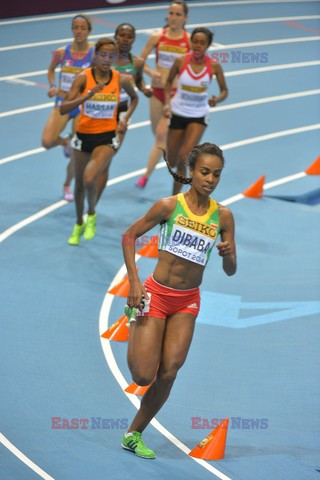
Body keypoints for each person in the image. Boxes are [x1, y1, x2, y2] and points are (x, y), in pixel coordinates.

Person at [121, 142, 237, 459]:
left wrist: (228, 254)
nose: (210, 179)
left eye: (216, 174)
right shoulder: (168, 206)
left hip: (187, 301)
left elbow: (230, 270)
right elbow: (129, 235)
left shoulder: (223, 216)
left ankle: (133, 434)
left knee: (169, 372)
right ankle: (133, 315)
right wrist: (133, 282)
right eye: (204, 172)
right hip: (155, 295)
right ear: (191, 172)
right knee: (143, 376)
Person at [60, 38, 138, 246]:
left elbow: (135, 98)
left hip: (106, 137)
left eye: (110, 56)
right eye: (102, 55)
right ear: (95, 56)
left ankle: (91, 214)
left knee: (89, 179)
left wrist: (125, 117)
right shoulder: (82, 78)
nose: (106, 59)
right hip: (83, 136)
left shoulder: (120, 79)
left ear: (115, 58)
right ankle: (78, 223)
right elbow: (63, 108)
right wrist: (85, 97)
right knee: (78, 188)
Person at [163, 27, 228, 195]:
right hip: (177, 112)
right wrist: (167, 103)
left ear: (208, 45)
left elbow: (224, 91)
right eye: (195, 42)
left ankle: (175, 198)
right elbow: (168, 83)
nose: (198, 46)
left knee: (184, 158)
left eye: (202, 43)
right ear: (190, 42)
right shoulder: (180, 61)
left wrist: (216, 99)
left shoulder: (214, 66)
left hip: (198, 115)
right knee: (171, 158)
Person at [135, 0, 190, 189]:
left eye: (178, 14)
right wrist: (151, 74)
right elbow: (140, 61)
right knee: (157, 134)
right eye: (171, 13)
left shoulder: (189, 41)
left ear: (185, 18)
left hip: (175, 94)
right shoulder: (157, 37)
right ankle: (173, 149)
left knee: (160, 135)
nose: (173, 18)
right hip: (157, 90)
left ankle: (145, 176)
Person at [95, 23, 152, 203]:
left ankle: (92, 207)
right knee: (91, 158)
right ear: (115, 37)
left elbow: (139, 83)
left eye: (129, 36)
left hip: (121, 115)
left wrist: (145, 90)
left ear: (133, 40)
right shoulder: (104, 59)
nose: (125, 39)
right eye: (121, 35)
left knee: (106, 162)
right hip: (98, 111)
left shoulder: (137, 63)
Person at [42, 14, 95, 202]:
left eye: (83, 27)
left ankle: (67, 184)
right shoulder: (61, 52)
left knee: (77, 151)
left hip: (82, 106)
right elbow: (50, 70)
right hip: (63, 103)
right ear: (72, 30)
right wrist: (52, 86)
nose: (79, 31)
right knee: (47, 141)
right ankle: (63, 142)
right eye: (75, 27)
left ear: (89, 31)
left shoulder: (94, 54)